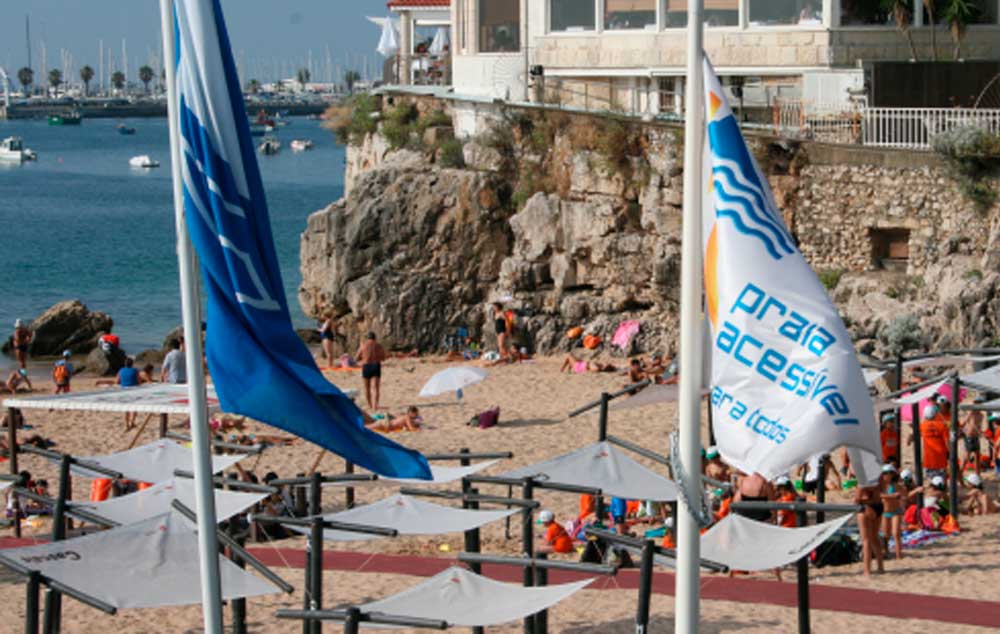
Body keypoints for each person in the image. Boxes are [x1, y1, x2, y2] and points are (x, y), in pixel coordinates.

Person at [855, 481, 884, 577]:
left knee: (866, 540)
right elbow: (882, 491)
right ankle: (880, 567)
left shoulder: (863, 481)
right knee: (875, 537)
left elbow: (857, 499)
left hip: (866, 507)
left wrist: (861, 498)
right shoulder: (878, 479)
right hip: (879, 506)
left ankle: (867, 570)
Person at [919, 401, 950, 481]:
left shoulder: (922, 425)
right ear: (936, 414)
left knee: (931, 481)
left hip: (929, 458)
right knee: (942, 480)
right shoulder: (942, 425)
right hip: (941, 457)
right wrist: (951, 453)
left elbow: (914, 435)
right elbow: (947, 442)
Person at [356, 332, 387, 410]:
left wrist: (364, 357)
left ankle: (369, 405)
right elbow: (383, 357)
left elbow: (356, 358)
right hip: (375, 365)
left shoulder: (363, 345)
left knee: (367, 388)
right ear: (375, 338)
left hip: (366, 366)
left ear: (367, 338)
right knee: (376, 388)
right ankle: (375, 406)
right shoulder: (378, 345)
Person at [880, 465, 904, 561]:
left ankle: (899, 555)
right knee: (885, 535)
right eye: (884, 473)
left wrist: (897, 496)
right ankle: (886, 552)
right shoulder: (881, 485)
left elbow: (903, 495)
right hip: (885, 512)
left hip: (895, 511)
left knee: (896, 533)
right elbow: (879, 495)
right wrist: (892, 496)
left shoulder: (896, 485)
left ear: (892, 474)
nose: (885, 475)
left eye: (887, 473)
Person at [961, 409, 984, 476]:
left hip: (976, 436)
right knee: (967, 455)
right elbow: (963, 424)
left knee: (977, 455)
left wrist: (981, 432)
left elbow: (979, 426)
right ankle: (960, 473)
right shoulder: (971, 414)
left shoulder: (981, 415)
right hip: (969, 436)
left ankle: (977, 474)